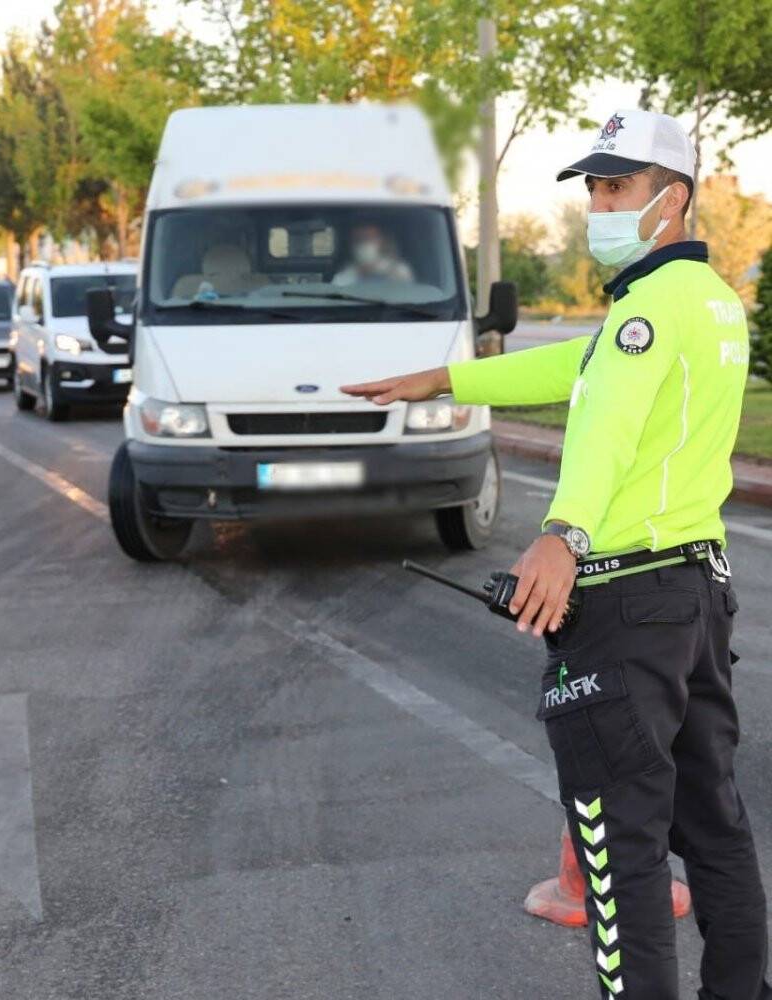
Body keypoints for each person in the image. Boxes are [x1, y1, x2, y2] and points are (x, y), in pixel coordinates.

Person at [342, 109, 770, 1000]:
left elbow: (606, 426)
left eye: (618, 187)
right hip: (696, 599)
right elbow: (582, 369)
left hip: (624, 612)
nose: (598, 205)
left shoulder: (647, 312)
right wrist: (447, 378)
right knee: (716, 826)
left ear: (674, 198)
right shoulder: (708, 303)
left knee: (621, 853)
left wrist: (562, 536)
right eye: (594, 188)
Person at [333, 222, 413, 285]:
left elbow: (408, 297)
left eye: (368, 238)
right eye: (358, 239)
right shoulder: (344, 277)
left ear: (381, 241)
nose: (363, 243)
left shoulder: (398, 270)